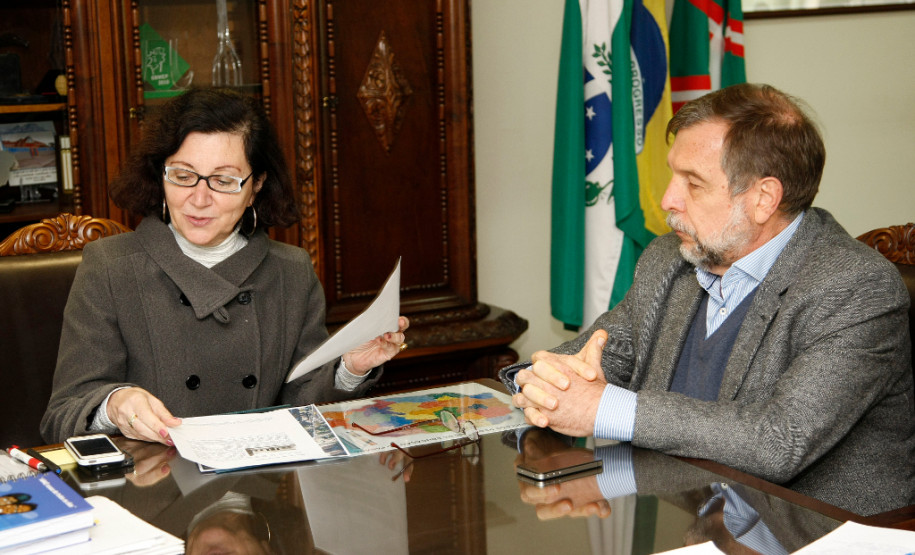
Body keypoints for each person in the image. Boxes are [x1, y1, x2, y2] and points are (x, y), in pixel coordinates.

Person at [503, 83, 915, 516]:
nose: (667, 200)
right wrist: (545, 381)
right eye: (672, 175)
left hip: (812, 530)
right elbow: (608, 350)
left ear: (763, 199)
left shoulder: (856, 287)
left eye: (693, 184)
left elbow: (779, 441)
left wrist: (602, 407)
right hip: (686, 516)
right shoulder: (670, 258)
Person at [41, 88, 409, 445]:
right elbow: (62, 416)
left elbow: (301, 402)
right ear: (160, 175)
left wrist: (350, 367)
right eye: (183, 176)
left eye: (224, 180)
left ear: (257, 185)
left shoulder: (291, 271)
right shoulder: (109, 267)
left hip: (262, 492)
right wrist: (115, 404)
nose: (199, 199)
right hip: (157, 492)